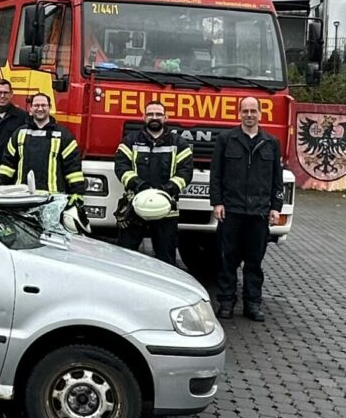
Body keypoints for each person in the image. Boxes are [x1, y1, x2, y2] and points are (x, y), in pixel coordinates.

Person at [210, 97, 284, 322]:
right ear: (239, 114)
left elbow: (276, 179)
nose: (249, 115)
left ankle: (253, 304)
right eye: (245, 111)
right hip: (231, 211)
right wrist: (217, 202)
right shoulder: (226, 140)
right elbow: (216, 174)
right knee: (227, 261)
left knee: (254, 262)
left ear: (261, 114)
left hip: (259, 213)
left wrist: (276, 207)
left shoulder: (271, 143)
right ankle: (226, 302)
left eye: (253, 111)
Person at [113, 101, 193, 266]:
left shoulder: (179, 144)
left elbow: (185, 172)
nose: (154, 118)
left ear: (165, 117)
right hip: (134, 207)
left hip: (166, 209)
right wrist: (139, 185)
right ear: (144, 117)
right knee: (125, 257)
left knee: (166, 259)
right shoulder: (130, 141)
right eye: (150, 114)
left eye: (158, 114)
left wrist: (166, 190)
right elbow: (121, 167)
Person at [0, 93, 85, 205]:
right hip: (22, 197)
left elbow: (73, 168)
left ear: (50, 107)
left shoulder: (63, 136)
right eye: (36, 105)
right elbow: (7, 165)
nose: (40, 108)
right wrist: (0, 188)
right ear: (30, 108)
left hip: (52, 200)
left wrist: (77, 193)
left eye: (43, 105)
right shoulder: (19, 133)